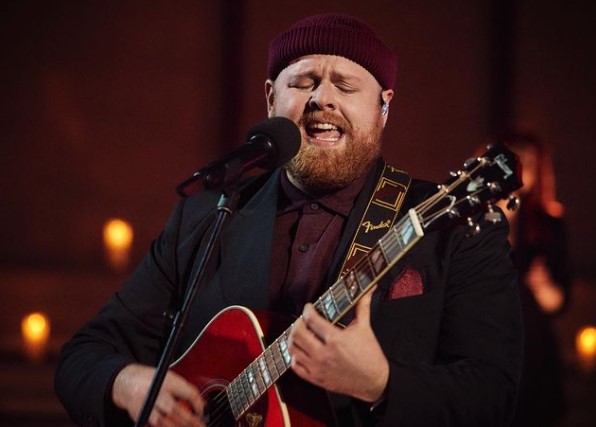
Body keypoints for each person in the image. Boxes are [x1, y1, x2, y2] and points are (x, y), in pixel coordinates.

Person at [55, 13, 523, 427]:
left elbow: (494, 396)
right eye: (303, 82)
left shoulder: (449, 226)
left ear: (383, 108)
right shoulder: (207, 215)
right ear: (269, 98)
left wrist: (381, 384)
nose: (322, 99)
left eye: (345, 85)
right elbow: (83, 356)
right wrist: (130, 385)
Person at [495, 131, 571, 427]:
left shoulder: (551, 223)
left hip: (532, 348)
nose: (521, 169)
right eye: (514, 159)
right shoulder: (474, 218)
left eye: (528, 161)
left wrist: (545, 288)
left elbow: (560, 301)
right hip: (486, 340)